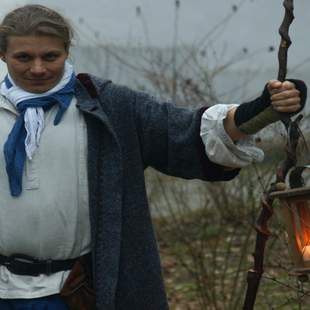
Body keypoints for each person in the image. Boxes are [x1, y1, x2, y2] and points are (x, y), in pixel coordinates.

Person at [0, 4, 306, 310]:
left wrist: (259, 110)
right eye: (24, 57)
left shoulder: (107, 107)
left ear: (66, 52)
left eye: (50, 56)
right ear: (3, 56)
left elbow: (186, 132)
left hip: (81, 293)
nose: (38, 68)